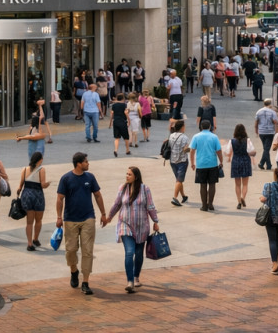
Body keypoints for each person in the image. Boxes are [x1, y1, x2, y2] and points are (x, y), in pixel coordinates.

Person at [55, 151, 109, 296]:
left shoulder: (90, 177)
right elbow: (60, 198)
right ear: (79, 164)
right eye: (86, 161)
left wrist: (103, 214)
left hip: (88, 218)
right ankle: (74, 270)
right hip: (70, 219)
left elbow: (97, 195)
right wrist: (59, 217)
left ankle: (85, 282)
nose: (88, 163)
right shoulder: (66, 178)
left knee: (87, 250)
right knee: (71, 250)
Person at [105, 166, 159, 294]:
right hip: (125, 225)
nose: (127, 176)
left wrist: (155, 221)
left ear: (136, 176)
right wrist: (109, 217)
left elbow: (150, 206)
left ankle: (136, 277)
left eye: (129, 174)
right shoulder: (122, 188)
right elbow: (117, 204)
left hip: (142, 227)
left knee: (139, 254)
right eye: (126, 174)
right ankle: (130, 282)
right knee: (130, 252)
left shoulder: (145, 189)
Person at [18, 151, 50, 252]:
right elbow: (43, 185)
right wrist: (48, 184)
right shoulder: (41, 169)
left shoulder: (24, 169)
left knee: (29, 222)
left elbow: (20, 186)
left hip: (27, 195)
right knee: (39, 220)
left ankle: (29, 243)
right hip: (37, 195)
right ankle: (35, 239)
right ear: (40, 160)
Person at [189, 118, 222, 211]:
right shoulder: (214, 137)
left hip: (201, 164)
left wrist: (192, 163)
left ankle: (204, 205)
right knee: (212, 184)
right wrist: (221, 161)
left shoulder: (196, 136)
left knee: (202, 185)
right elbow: (218, 150)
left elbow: (192, 151)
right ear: (210, 127)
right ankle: (210, 204)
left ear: (201, 127)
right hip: (212, 164)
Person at [260, 167, 278, 274]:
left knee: (272, 240)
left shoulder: (269, 186)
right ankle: (275, 261)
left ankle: (275, 263)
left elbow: (263, 198)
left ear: (275, 175)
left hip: (271, 216)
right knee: (277, 239)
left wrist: (261, 198)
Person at [226, 123, 256, 209]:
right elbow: (252, 151)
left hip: (236, 161)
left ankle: (239, 201)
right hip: (245, 161)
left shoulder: (232, 141)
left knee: (237, 184)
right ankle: (243, 198)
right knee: (245, 184)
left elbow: (228, 152)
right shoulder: (248, 140)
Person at [167, 118, 191, 206]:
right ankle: (175, 198)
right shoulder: (184, 137)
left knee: (178, 180)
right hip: (182, 161)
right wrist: (191, 148)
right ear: (182, 127)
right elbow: (185, 150)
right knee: (179, 180)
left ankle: (184, 196)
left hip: (172, 161)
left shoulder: (171, 136)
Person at [254, 99, 278, 171]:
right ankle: (261, 163)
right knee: (266, 149)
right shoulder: (272, 112)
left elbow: (256, 123)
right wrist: (276, 132)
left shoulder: (258, 112)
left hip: (261, 132)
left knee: (266, 148)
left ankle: (268, 165)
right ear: (270, 104)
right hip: (270, 132)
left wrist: (256, 131)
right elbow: (276, 122)